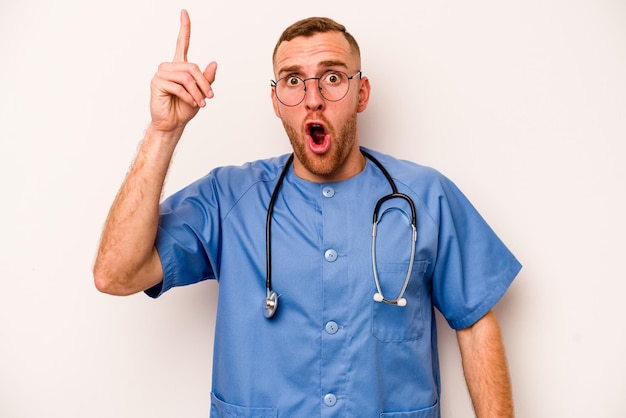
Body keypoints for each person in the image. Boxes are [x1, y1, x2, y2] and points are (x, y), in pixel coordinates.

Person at [94, 9, 521, 418]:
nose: (312, 100)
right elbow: (116, 275)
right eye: (293, 81)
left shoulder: (426, 197)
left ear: (361, 93)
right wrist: (162, 131)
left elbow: (475, 326)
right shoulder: (227, 198)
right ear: (276, 101)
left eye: (332, 78)